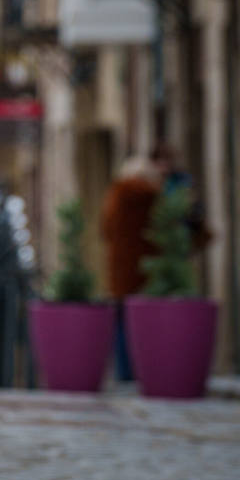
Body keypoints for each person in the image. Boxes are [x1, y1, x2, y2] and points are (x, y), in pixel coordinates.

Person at [99, 157, 162, 382]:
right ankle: (140, 371)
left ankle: (124, 373)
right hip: (145, 271)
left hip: (121, 272)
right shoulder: (146, 196)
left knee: (123, 322)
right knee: (140, 322)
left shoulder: (114, 195)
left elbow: (104, 230)